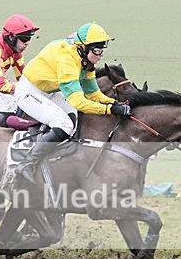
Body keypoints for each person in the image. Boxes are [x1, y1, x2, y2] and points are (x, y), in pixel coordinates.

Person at [13, 22, 131, 183]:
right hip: (29, 92)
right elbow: (80, 102)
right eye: (97, 50)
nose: (101, 54)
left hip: (48, 92)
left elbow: (93, 94)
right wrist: (110, 110)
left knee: (74, 119)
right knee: (64, 125)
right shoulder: (68, 60)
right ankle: (27, 163)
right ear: (84, 47)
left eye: (102, 50)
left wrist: (114, 103)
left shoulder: (86, 60)